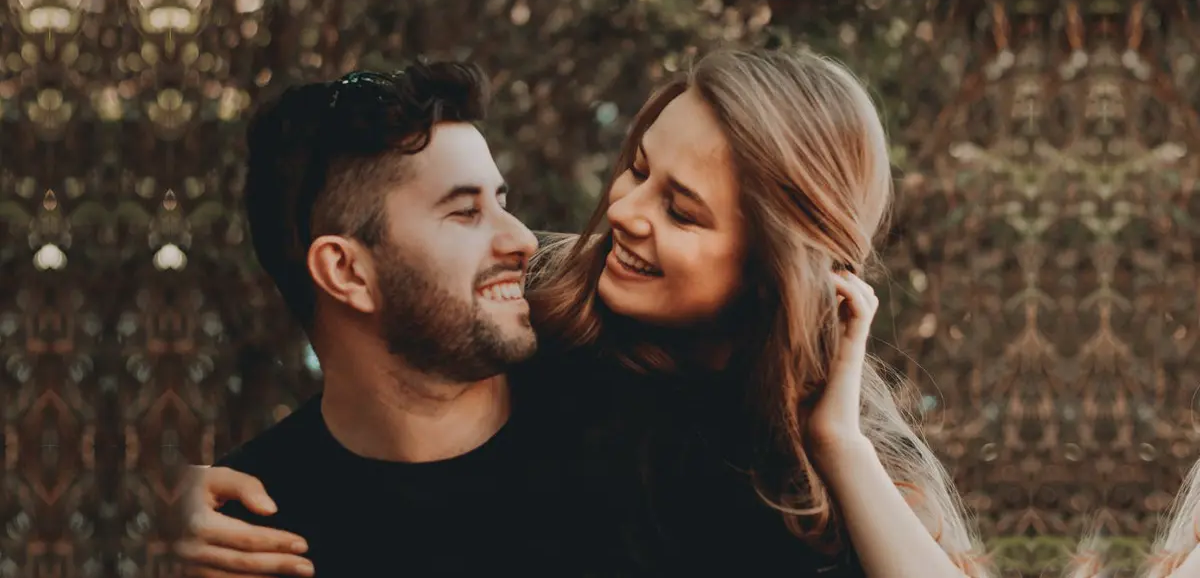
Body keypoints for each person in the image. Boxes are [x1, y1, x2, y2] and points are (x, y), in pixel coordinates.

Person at [178, 49, 992, 577]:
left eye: (683, 210)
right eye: (637, 170)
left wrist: (840, 443)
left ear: (768, 271)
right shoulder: (262, 517)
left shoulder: (731, 460)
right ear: (342, 273)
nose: (624, 212)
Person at [176, 62, 584, 577]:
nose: (523, 239)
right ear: (346, 271)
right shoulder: (247, 540)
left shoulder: (622, 419)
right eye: (464, 212)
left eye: (502, 202)